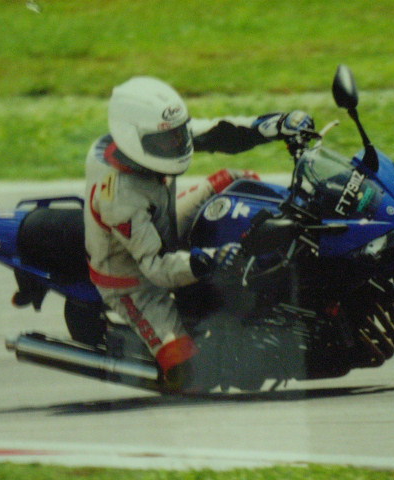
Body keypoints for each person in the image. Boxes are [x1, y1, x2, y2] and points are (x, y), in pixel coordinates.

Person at [84, 76, 314, 392]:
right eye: (168, 141)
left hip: (161, 224)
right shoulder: (120, 197)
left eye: (179, 135)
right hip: (132, 276)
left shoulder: (153, 138)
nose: (178, 144)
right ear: (131, 138)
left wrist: (277, 124)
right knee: (189, 375)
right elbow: (156, 268)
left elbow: (221, 133)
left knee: (237, 181)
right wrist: (210, 260)